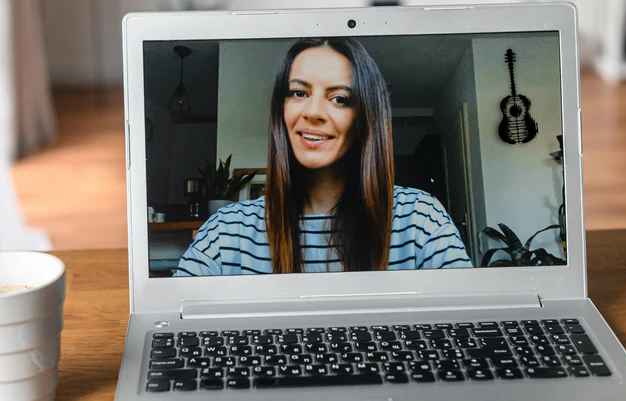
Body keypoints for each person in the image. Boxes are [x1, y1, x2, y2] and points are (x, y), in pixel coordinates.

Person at [177, 37, 471, 276]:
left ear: (363, 117)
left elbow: (469, 328)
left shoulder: (420, 218)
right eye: (298, 93)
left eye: (339, 99)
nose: (313, 112)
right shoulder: (226, 231)